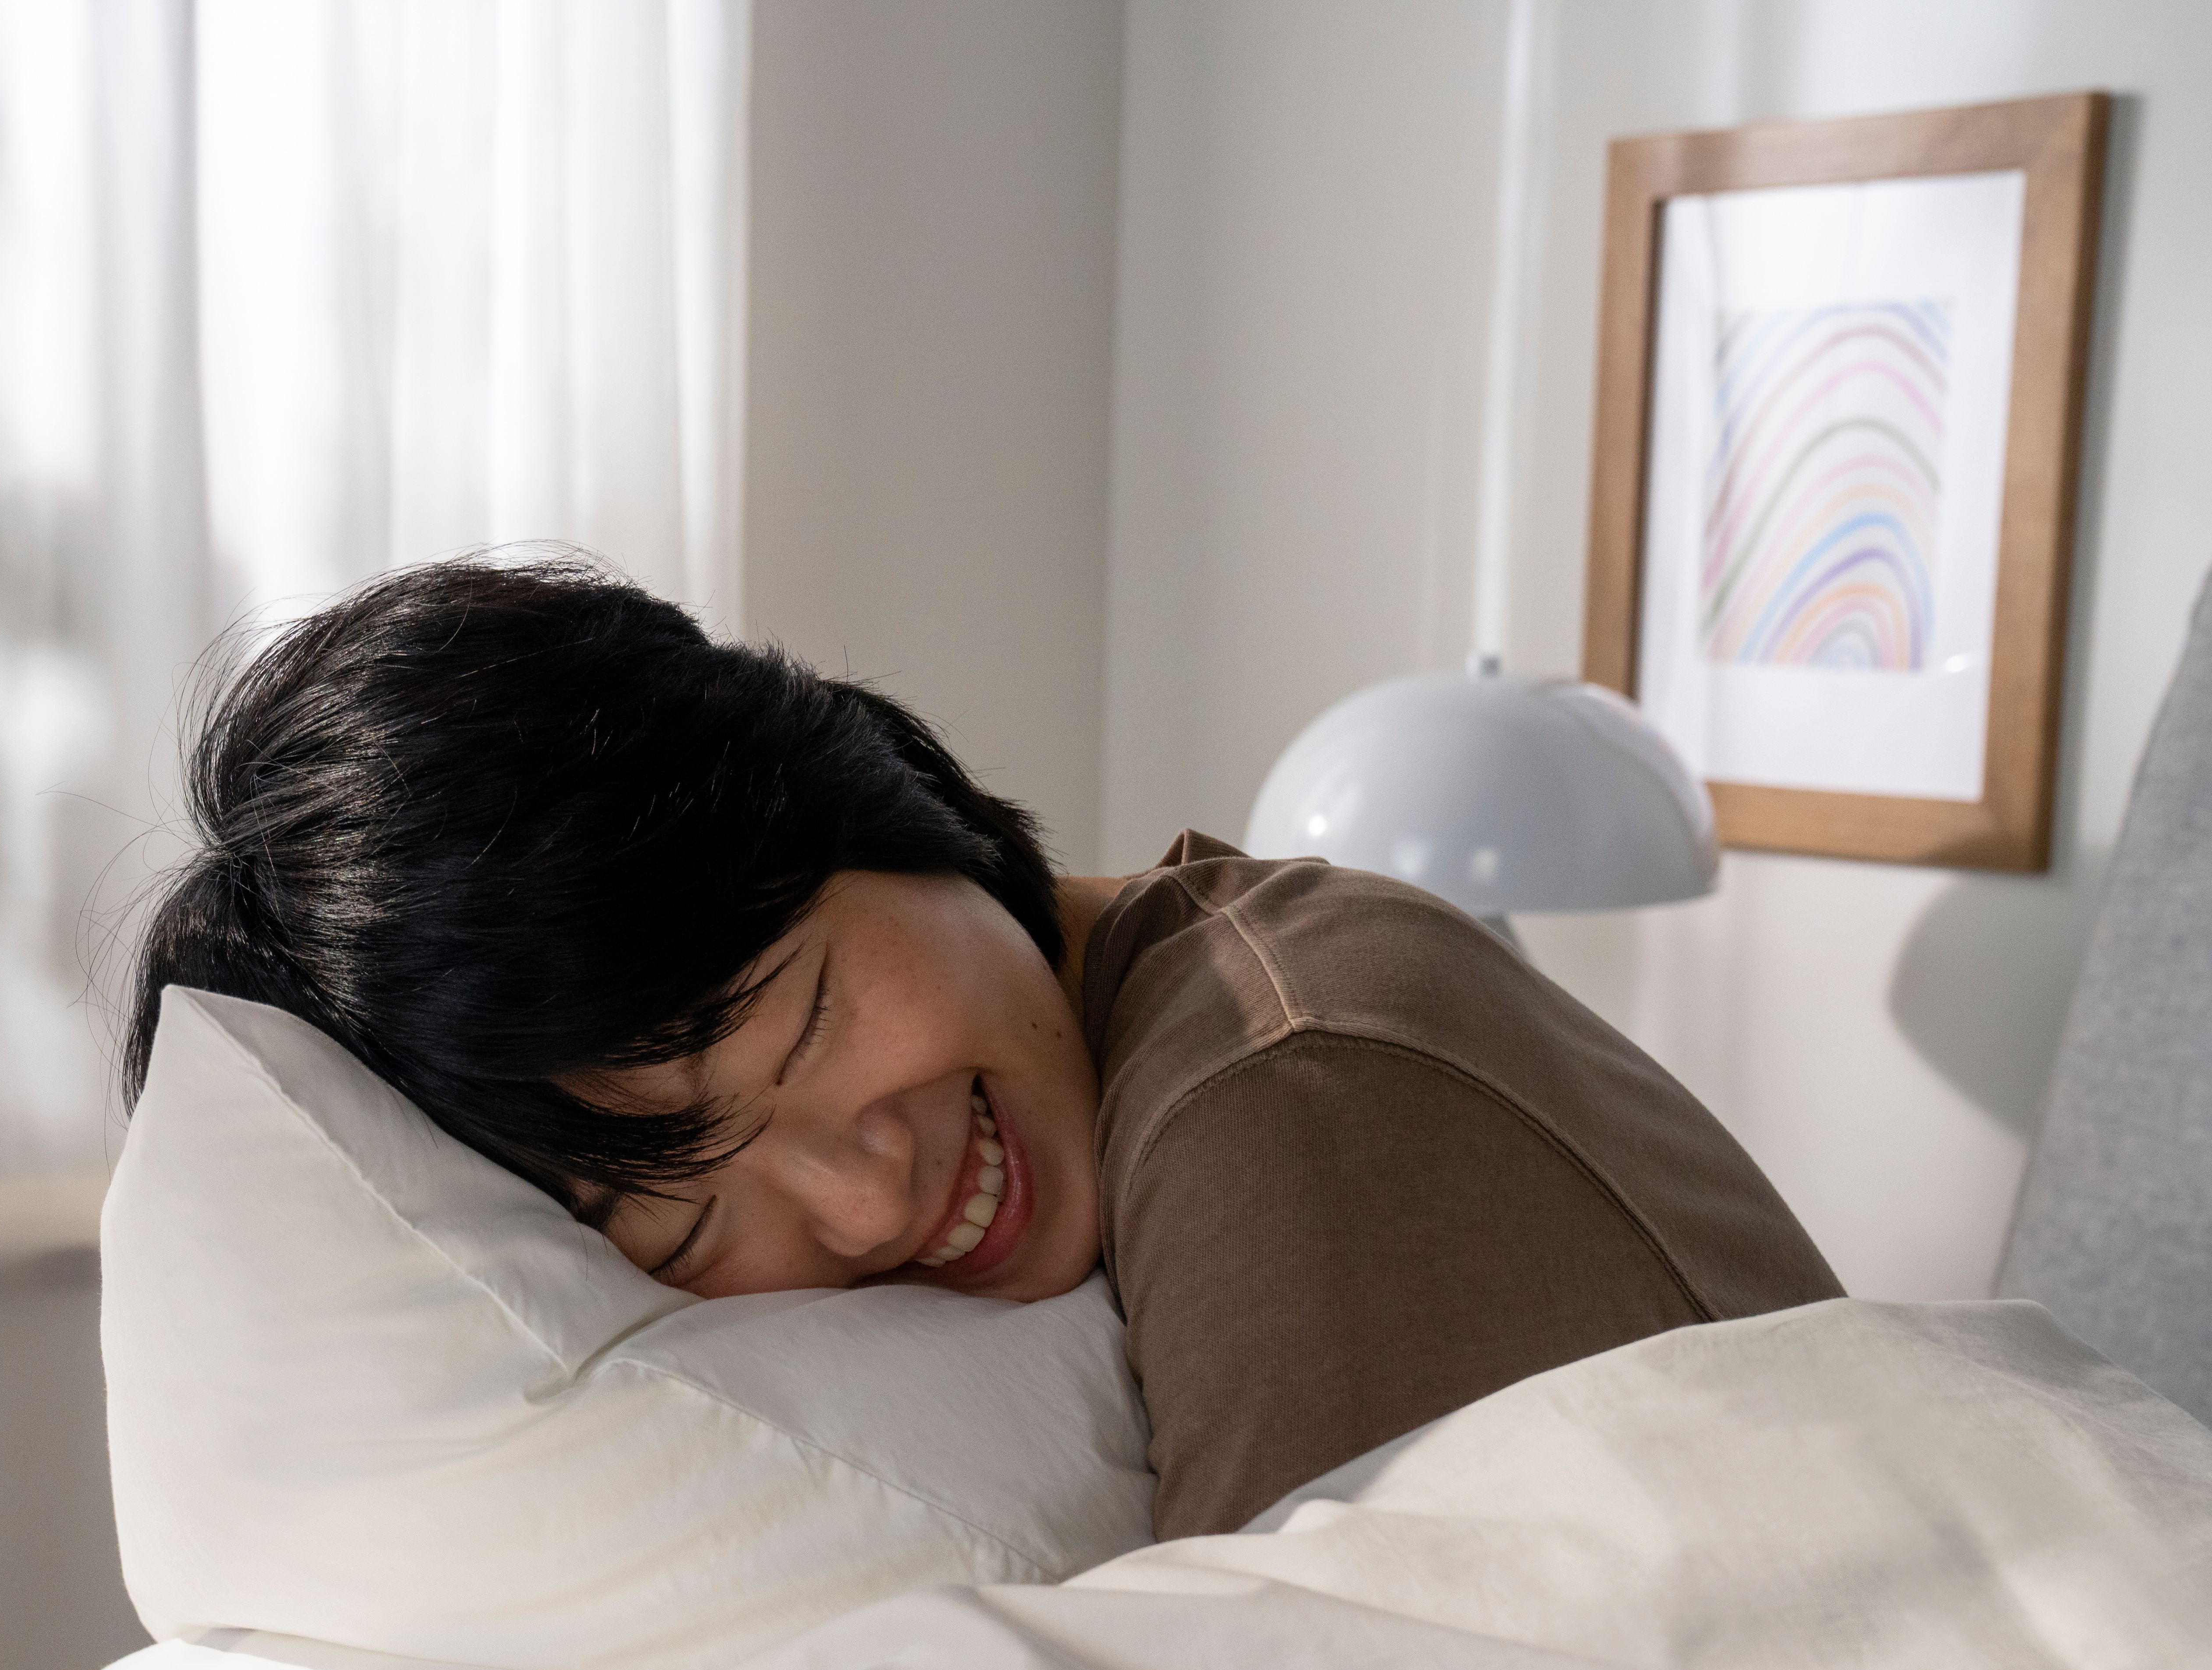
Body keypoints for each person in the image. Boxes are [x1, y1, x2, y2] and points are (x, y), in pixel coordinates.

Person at [127, 557, 1841, 1537]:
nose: (863, 1202)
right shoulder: (1178, 998)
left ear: (862, 793)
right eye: (692, 1232)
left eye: (799, 1018)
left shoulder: (1285, 1097)